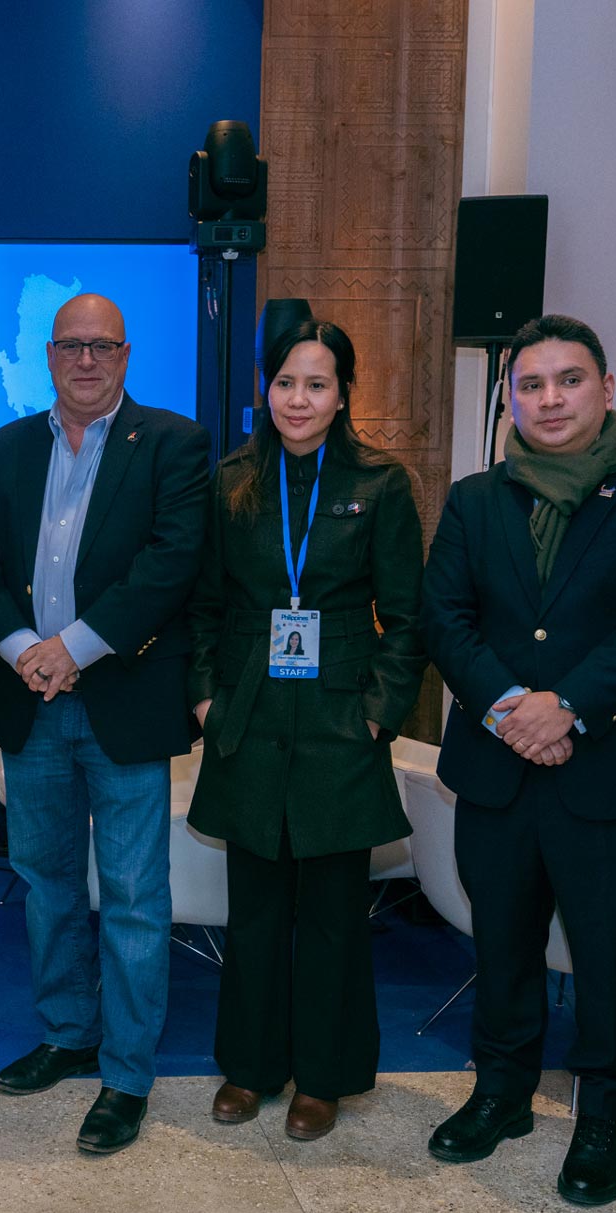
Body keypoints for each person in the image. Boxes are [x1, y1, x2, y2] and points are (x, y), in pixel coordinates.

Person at [420, 314, 616, 1206]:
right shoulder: (475, 499)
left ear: (607, 389)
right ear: (510, 399)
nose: (550, 399)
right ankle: (501, 1092)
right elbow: (445, 619)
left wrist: (568, 707)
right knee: (501, 937)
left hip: (614, 770)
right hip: (499, 762)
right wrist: (512, 709)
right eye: (532, 385)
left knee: (611, 947)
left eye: (569, 380)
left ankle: (602, 1114)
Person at [0, 292, 209, 1154]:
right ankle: (68, 1033)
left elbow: (171, 563)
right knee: (47, 882)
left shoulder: (172, 443)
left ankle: (127, 1073)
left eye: (103, 346)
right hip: (28, 699)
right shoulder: (6, 447)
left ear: (126, 355)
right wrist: (25, 649)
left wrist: (75, 648)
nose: (87, 361)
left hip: (123, 701)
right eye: (72, 345)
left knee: (134, 895)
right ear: (49, 355)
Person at [186, 319, 425, 1141]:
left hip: (339, 722)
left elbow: (408, 618)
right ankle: (249, 1068)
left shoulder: (380, 485)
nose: (298, 399)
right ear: (266, 388)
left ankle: (324, 1077)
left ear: (343, 394)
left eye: (317, 384)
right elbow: (202, 608)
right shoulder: (231, 483)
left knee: (332, 914)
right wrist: (206, 702)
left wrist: (377, 715)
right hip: (248, 719)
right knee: (253, 909)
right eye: (285, 382)